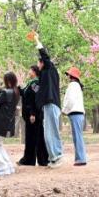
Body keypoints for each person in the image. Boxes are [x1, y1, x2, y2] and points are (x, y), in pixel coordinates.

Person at [34, 33, 64, 168]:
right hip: (48, 105)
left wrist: (37, 41)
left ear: (42, 63)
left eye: (38, 63)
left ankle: (57, 156)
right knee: (48, 133)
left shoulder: (50, 69)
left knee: (51, 132)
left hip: (51, 104)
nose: (37, 66)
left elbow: (45, 56)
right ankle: (53, 157)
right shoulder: (45, 75)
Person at [18, 65, 49, 167]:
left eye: (30, 70)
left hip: (34, 115)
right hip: (31, 115)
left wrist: (33, 113)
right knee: (39, 138)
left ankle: (29, 160)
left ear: (35, 72)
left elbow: (36, 99)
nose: (28, 72)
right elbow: (26, 95)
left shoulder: (36, 83)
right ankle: (43, 160)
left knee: (31, 138)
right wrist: (18, 88)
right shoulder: (30, 83)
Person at [62, 66, 88, 166]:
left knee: (77, 136)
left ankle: (81, 159)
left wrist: (64, 110)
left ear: (72, 76)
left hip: (75, 113)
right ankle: (79, 158)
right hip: (78, 113)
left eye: (69, 74)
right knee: (77, 136)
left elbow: (70, 100)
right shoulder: (77, 86)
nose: (68, 76)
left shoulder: (72, 85)